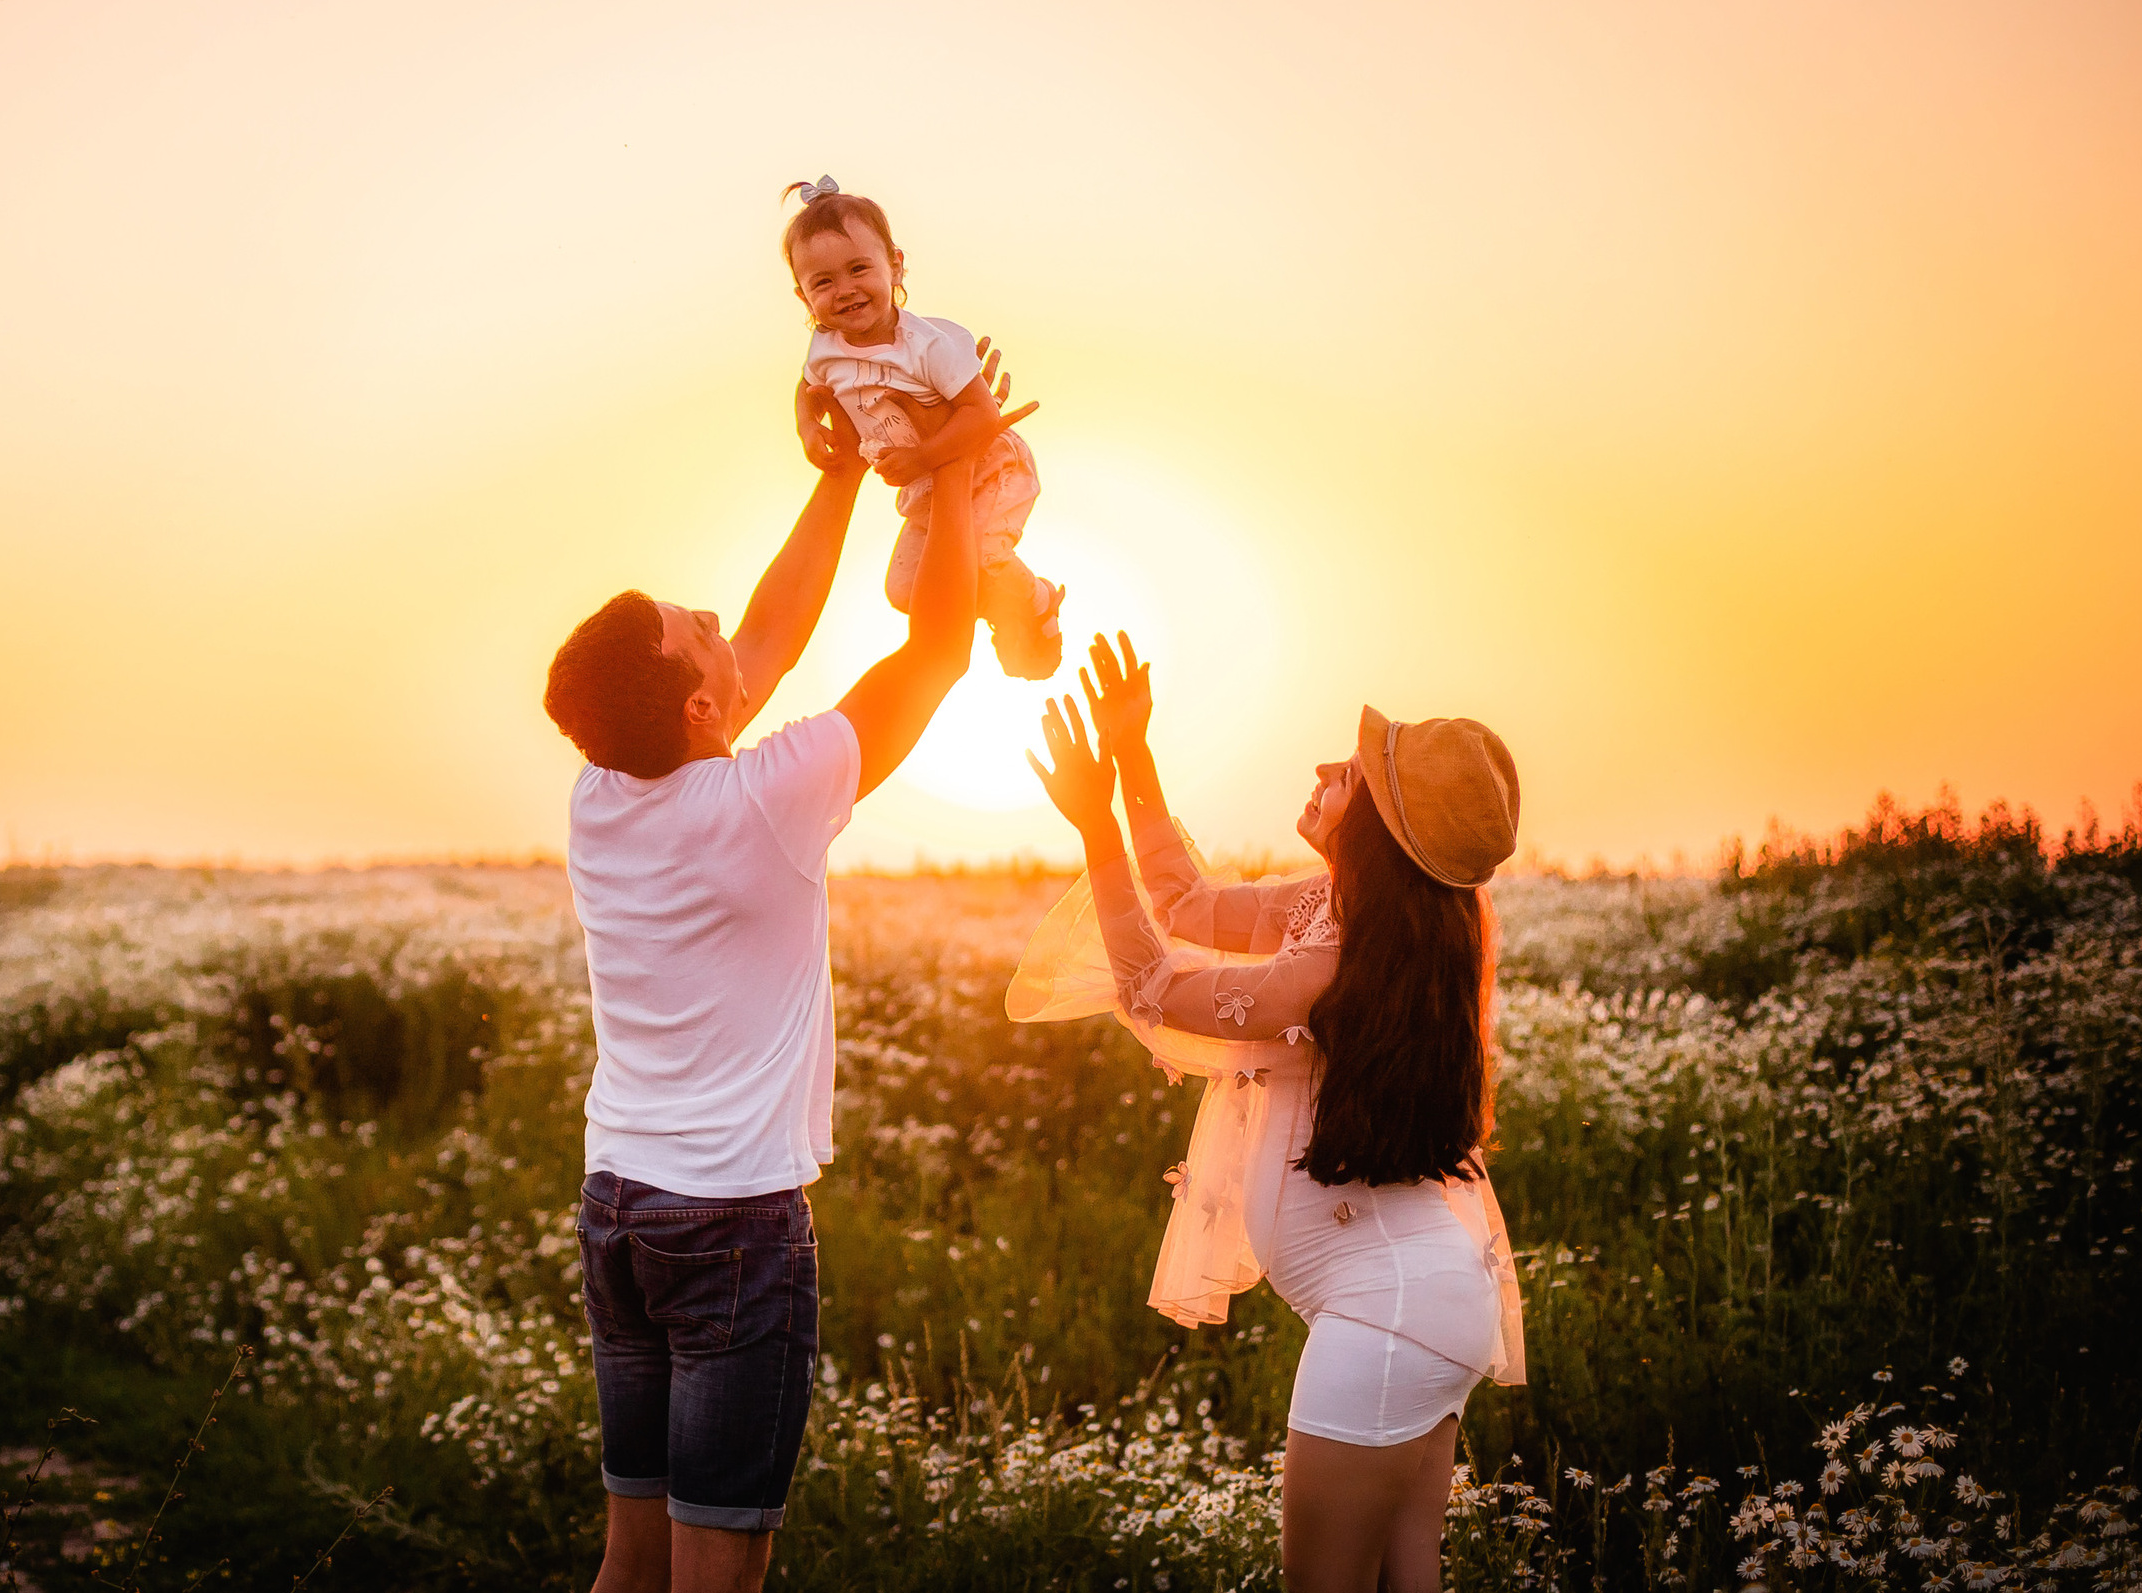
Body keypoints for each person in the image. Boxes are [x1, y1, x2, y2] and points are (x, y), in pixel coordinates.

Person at [540, 354, 1029, 1593]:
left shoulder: (601, 791)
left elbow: (764, 639)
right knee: (718, 1579)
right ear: (704, 709)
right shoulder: (767, 797)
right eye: (693, 630)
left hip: (622, 1208)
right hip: (732, 1230)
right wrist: (958, 458)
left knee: (626, 1566)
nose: (718, 622)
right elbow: (933, 650)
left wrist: (849, 472)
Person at [1013, 633, 1528, 1593]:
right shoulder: (1340, 913)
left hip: (1387, 1316)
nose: (1328, 767)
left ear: (1380, 825)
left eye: (1356, 773)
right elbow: (1185, 900)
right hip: (1420, 1301)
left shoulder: (1336, 955)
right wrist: (1132, 756)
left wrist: (1092, 826)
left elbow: (1156, 985)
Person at [782, 176, 1064, 680]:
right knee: (906, 592)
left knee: (983, 553)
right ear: (804, 298)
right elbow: (807, 387)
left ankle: (1038, 601)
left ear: (895, 264)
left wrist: (922, 457)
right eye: (822, 282)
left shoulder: (929, 345)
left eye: (858, 268)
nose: (844, 290)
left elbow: (982, 415)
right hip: (925, 490)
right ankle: (1002, 606)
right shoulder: (825, 348)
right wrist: (808, 426)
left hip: (989, 466)